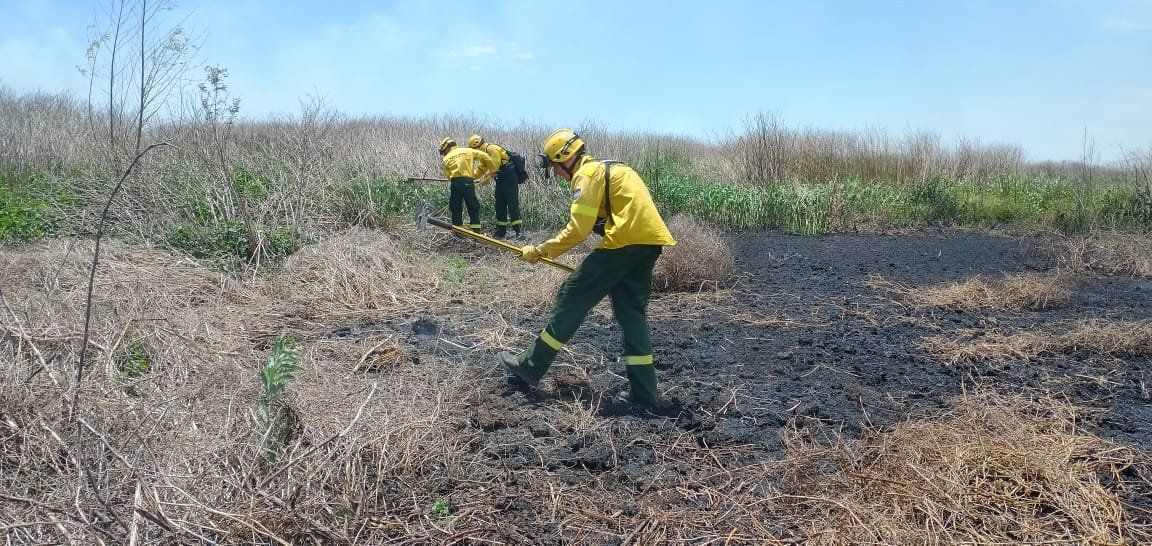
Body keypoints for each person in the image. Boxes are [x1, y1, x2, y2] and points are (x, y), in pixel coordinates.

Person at [499, 129, 676, 405]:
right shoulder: (614, 168)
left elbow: (577, 230)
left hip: (622, 244)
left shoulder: (587, 174)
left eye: (554, 166)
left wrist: (540, 251)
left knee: (572, 296)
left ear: (566, 159)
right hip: (649, 243)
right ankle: (645, 394)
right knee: (632, 314)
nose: (556, 173)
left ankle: (531, 365)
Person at [468, 134, 524, 239]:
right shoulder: (483, 155)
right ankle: (501, 231)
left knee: (512, 203)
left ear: (476, 146)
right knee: (500, 204)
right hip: (500, 179)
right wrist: (470, 178)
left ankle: (518, 231)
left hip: (509, 176)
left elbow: (496, 164)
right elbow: (481, 169)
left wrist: (488, 177)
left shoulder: (491, 149)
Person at [439, 137, 497, 232]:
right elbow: (485, 157)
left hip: (455, 183)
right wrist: (492, 170)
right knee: (472, 205)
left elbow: (448, 176)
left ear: (446, 148)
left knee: (455, 207)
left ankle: (458, 231)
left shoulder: (446, 158)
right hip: (468, 182)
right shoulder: (468, 151)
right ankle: (476, 231)